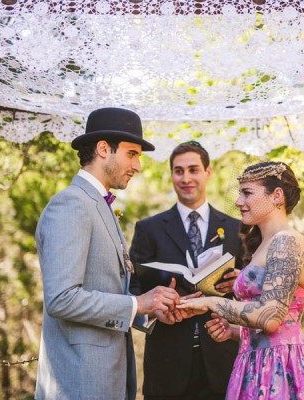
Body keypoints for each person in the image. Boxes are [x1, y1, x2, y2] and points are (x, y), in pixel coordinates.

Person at [35, 107, 181, 400]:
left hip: (107, 380)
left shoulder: (99, 205)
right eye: (132, 153)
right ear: (103, 149)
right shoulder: (71, 204)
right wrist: (137, 303)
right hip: (78, 384)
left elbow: (108, 289)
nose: (138, 165)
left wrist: (149, 310)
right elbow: (62, 299)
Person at [178, 161, 304, 399]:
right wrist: (234, 330)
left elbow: (272, 318)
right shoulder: (261, 246)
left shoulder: (286, 241)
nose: (238, 202)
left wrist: (211, 303)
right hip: (254, 365)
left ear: (277, 196)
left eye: (247, 193)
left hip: (282, 367)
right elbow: (264, 323)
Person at [129, 141, 243, 400]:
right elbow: (133, 289)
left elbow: (255, 292)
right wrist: (154, 311)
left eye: (193, 169)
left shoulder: (238, 229)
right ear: (171, 175)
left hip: (223, 358)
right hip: (167, 363)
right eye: (178, 171)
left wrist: (238, 283)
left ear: (208, 172)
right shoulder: (149, 229)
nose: (186, 178)